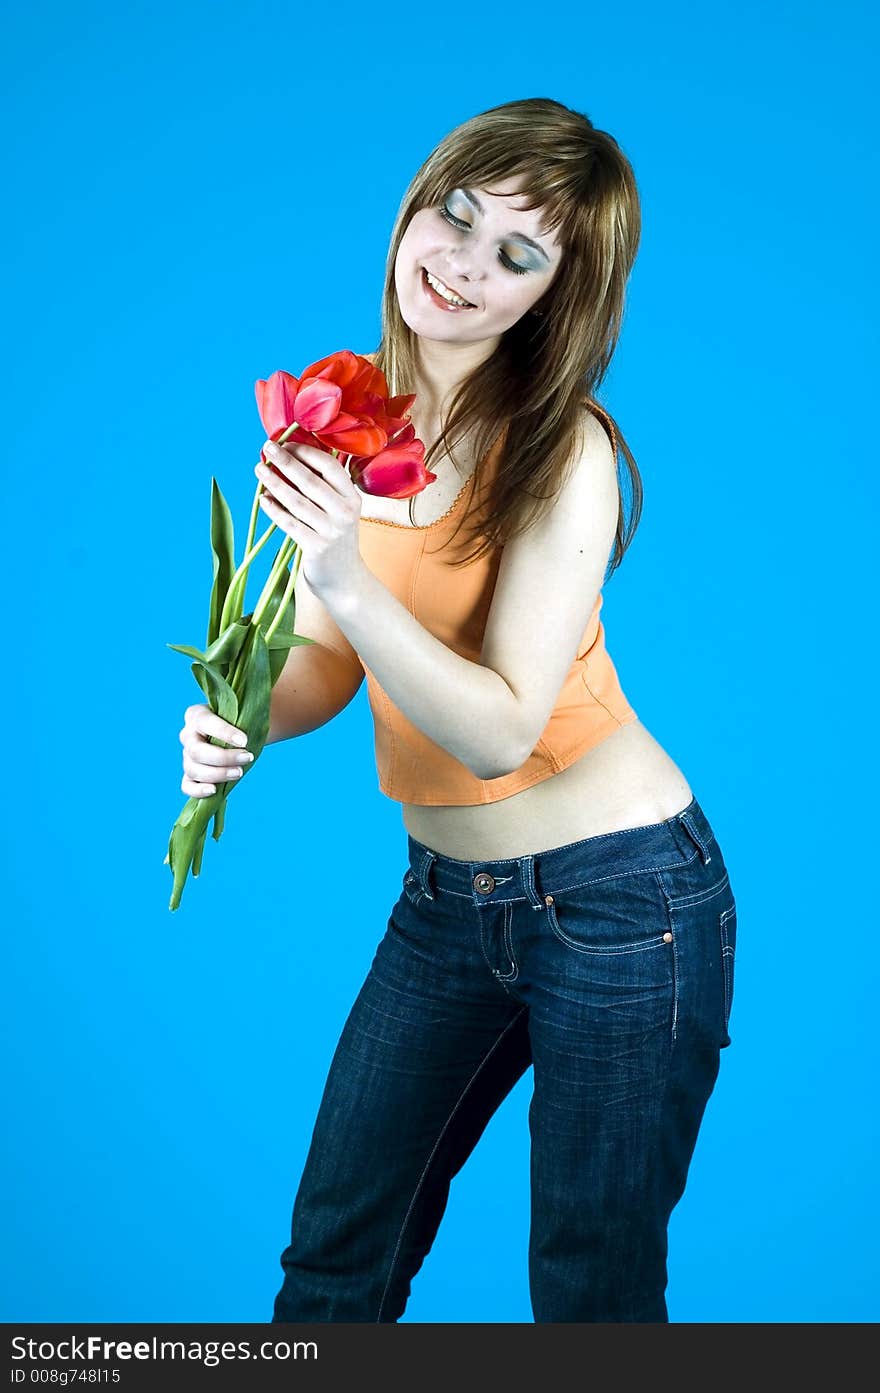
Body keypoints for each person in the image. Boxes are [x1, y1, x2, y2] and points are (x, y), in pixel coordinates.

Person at [178, 97, 738, 1323]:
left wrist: (337, 566)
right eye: (457, 213)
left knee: (590, 1292)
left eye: (515, 257)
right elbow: (325, 663)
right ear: (415, 206)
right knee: (334, 1261)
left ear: (555, 295)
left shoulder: (562, 450)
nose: (462, 264)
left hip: (621, 899)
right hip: (444, 904)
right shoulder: (354, 403)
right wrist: (241, 713)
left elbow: (495, 726)